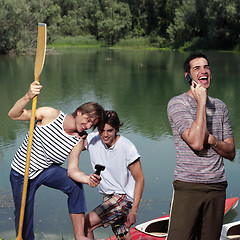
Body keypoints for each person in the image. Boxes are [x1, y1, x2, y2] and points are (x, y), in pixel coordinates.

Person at [8, 81, 104, 240]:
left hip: (45, 171)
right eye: (87, 120)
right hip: (21, 172)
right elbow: (13, 114)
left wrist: (88, 179)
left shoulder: (78, 141)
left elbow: (72, 170)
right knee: (23, 215)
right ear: (79, 112)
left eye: (91, 125)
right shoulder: (49, 115)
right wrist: (28, 96)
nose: (87, 126)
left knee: (75, 185)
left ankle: (80, 235)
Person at [167, 52, 235, 240]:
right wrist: (201, 102)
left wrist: (212, 140)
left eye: (206, 67)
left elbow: (231, 152)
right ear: (188, 76)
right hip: (188, 186)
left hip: (217, 187)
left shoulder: (220, 107)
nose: (203, 71)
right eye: (197, 68)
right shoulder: (177, 103)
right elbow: (196, 142)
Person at [68, 110, 145, 240]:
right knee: (122, 232)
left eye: (109, 131)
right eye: (101, 130)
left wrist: (134, 211)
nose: (105, 135)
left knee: (86, 224)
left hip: (123, 197)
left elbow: (140, 180)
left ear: (116, 129)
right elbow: (76, 141)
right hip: (108, 197)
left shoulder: (127, 148)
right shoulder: (93, 139)